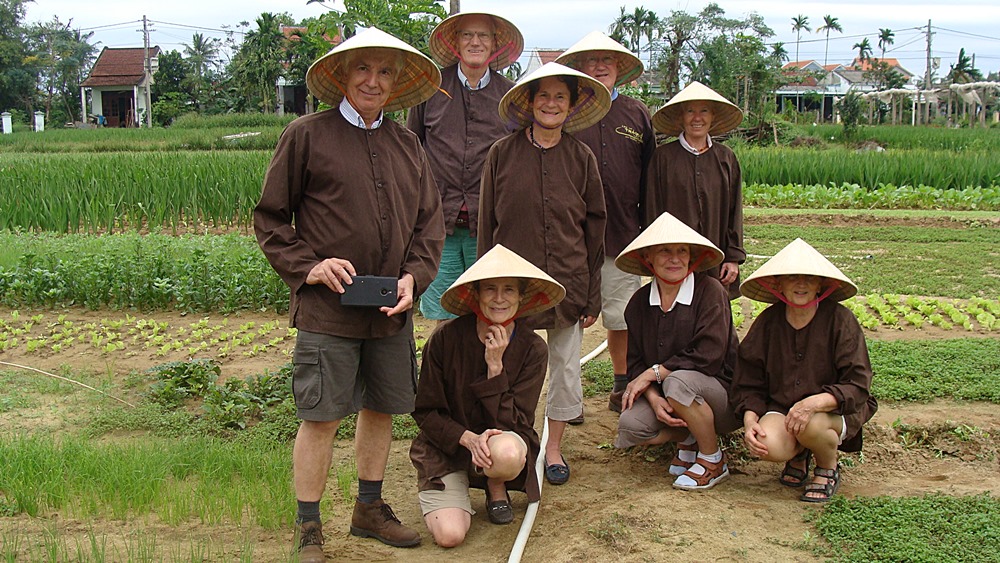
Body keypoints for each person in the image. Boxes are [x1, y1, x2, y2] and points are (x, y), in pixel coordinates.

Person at [253, 28, 445, 562]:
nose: (373, 81)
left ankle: (369, 508)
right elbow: (270, 219)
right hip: (327, 309)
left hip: (390, 308)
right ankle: (309, 526)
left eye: (385, 72)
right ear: (341, 76)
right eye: (363, 69)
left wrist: (414, 278)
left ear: (396, 83)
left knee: (382, 407)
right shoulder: (306, 134)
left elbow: (430, 225)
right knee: (321, 416)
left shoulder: (408, 145)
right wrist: (309, 266)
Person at [479, 62, 610, 485]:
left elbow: (595, 228)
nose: (551, 104)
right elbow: (486, 225)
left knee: (566, 368)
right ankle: (513, 437)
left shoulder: (581, 157)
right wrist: (483, 291)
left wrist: (592, 293)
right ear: (529, 103)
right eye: (543, 96)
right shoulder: (502, 154)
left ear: (571, 107)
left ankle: (552, 448)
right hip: (511, 288)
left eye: (560, 97)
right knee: (511, 364)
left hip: (568, 282)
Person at [410, 244, 566, 546]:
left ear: (521, 297)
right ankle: (459, 484)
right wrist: (467, 438)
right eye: (490, 289)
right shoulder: (445, 338)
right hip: (449, 447)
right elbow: (425, 411)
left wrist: (495, 368)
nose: (499, 299)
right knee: (450, 536)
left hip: (501, 444)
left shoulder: (533, 349)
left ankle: (496, 484)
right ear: (475, 296)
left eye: (509, 290)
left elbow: (518, 422)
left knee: (506, 453)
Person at [731, 238, 878, 502]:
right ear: (779, 284)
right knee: (767, 443)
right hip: (784, 407)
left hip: (833, 410)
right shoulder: (768, 322)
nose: (801, 284)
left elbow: (857, 384)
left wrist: (814, 403)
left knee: (810, 424)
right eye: (793, 278)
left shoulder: (840, 320)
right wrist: (750, 419)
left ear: (821, 285)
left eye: (809, 278)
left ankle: (827, 467)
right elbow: (748, 380)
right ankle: (799, 453)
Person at [556, 31, 656, 414]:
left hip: (622, 235)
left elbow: (650, 175)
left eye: (608, 61)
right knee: (568, 318)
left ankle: (621, 383)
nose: (599, 66)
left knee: (621, 314)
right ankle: (568, 400)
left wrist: (647, 232)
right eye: (592, 60)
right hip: (570, 239)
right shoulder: (568, 110)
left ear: (619, 69)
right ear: (580, 67)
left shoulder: (636, 114)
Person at [408, 12, 523, 324]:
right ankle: (446, 372)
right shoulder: (430, 89)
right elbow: (411, 150)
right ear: (454, 42)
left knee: (490, 310)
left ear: (495, 45)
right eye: (467, 35)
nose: (475, 42)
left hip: (488, 226)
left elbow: (518, 158)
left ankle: (490, 372)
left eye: (483, 36)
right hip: (437, 225)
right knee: (443, 313)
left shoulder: (510, 95)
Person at [613, 211, 740, 491]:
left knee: (677, 381)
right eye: (665, 251)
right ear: (648, 258)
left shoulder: (710, 292)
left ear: (691, 257)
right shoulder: (637, 303)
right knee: (631, 425)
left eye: (682, 251)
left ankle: (712, 458)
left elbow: (710, 353)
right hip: (671, 392)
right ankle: (690, 434)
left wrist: (656, 373)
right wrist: (654, 399)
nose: (675, 258)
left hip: (722, 394)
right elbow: (635, 366)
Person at [645, 81, 746, 300]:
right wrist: (656, 254)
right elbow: (652, 210)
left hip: (716, 257)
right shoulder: (663, 158)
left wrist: (733, 257)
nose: (697, 118)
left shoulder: (725, 158)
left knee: (714, 313)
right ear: (681, 117)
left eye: (704, 111)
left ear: (713, 117)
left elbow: (734, 210)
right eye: (690, 111)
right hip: (673, 260)